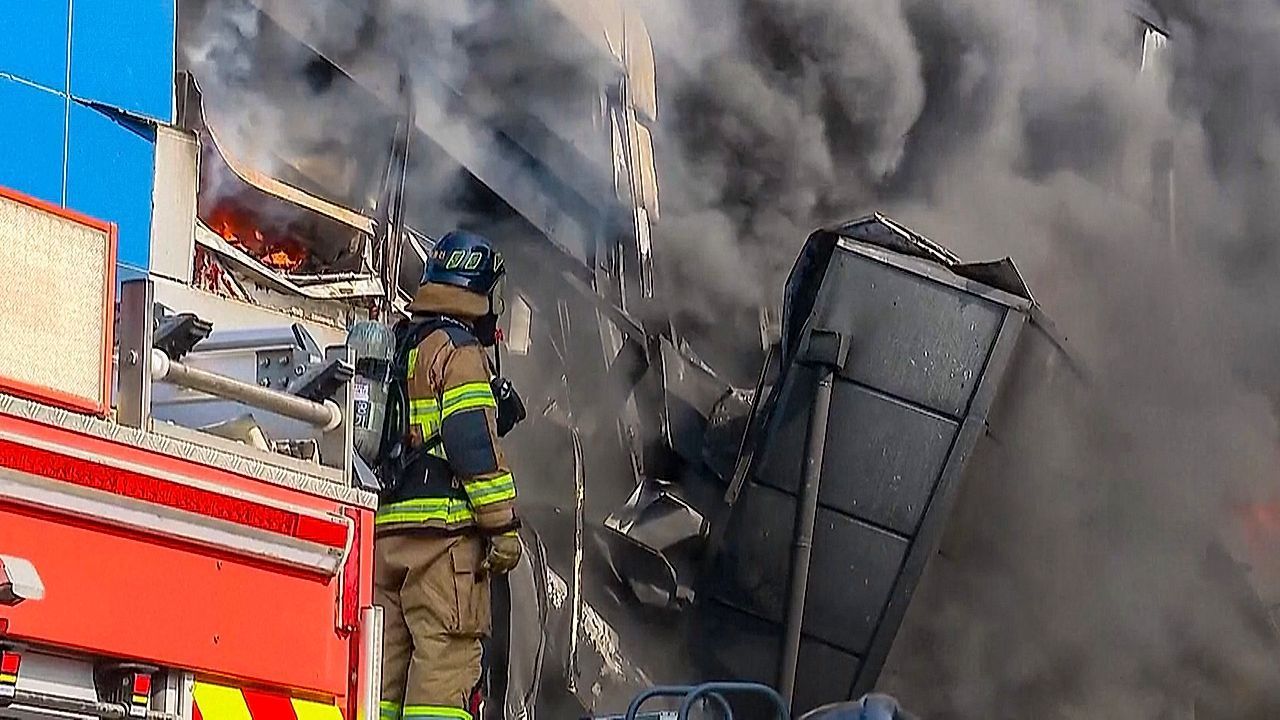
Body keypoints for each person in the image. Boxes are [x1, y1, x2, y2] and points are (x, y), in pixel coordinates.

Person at [376, 229, 523, 720]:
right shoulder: (459, 352)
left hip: (388, 540)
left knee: (382, 681)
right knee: (442, 673)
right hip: (443, 549)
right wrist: (502, 529)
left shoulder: (401, 345)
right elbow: (471, 443)